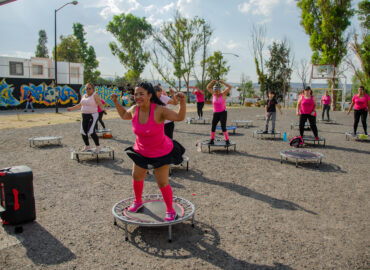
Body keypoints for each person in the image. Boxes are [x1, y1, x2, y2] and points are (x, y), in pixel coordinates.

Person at [110, 82, 186, 221]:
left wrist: (183, 102)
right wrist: (116, 102)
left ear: (150, 95)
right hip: (141, 150)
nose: (137, 97)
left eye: (141, 94)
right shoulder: (134, 109)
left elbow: (179, 118)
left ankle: (170, 210)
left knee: (162, 182)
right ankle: (138, 202)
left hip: (160, 151)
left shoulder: (159, 110)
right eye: (136, 94)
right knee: (136, 176)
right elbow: (124, 115)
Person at [67, 83, 105, 152]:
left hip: (92, 115)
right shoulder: (84, 96)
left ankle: (98, 146)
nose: (87, 90)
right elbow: (79, 105)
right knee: (83, 132)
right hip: (84, 115)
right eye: (86, 88)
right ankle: (87, 146)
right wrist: (71, 108)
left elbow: (100, 103)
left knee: (91, 131)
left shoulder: (95, 95)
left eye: (89, 88)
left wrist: (103, 109)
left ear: (93, 89)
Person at [206, 80, 232, 145]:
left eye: (217, 90)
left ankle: (227, 140)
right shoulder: (213, 94)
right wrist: (212, 82)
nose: (216, 91)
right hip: (216, 113)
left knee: (223, 127)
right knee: (213, 126)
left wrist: (223, 82)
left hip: (223, 113)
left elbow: (230, 87)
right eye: (215, 90)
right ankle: (212, 140)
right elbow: (208, 87)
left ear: (220, 90)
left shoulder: (223, 94)